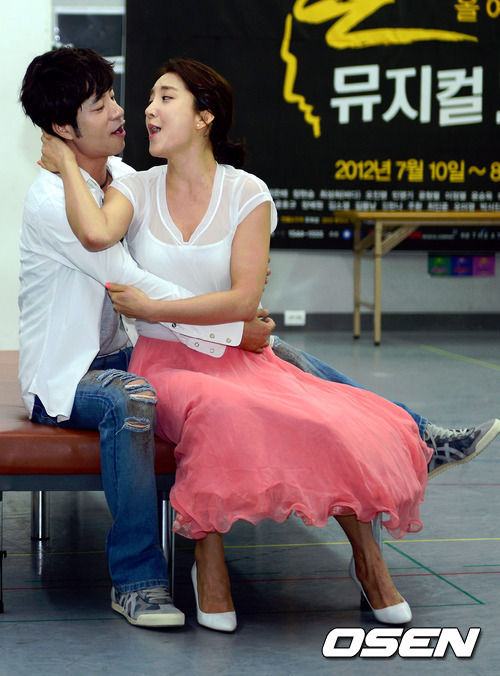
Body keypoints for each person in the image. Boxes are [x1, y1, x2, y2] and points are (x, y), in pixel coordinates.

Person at [39, 55, 499, 633]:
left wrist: (155, 308)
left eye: (165, 97)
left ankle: (369, 560)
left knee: (328, 414)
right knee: (218, 410)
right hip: (167, 362)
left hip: (239, 357)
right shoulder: (134, 187)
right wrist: (63, 159)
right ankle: (209, 560)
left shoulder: (247, 192)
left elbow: (242, 301)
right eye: (149, 99)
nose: (148, 110)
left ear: (204, 115)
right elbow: (96, 232)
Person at [18, 47, 275, 630]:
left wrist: (240, 314)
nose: (119, 111)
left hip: (126, 352)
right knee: (132, 398)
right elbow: (129, 280)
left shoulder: (124, 177)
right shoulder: (52, 201)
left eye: (112, 97)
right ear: (63, 130)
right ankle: (137, 581)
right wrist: (230, 324)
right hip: (69, 378)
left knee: (272, 353)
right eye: (98, 106)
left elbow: (168, 270)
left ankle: (408, 427)